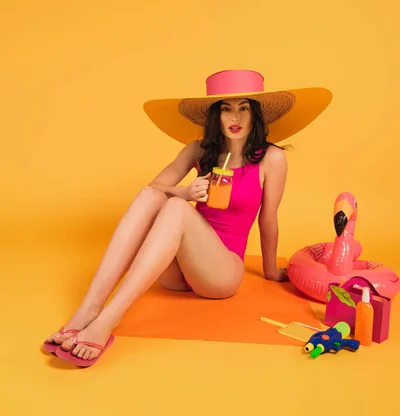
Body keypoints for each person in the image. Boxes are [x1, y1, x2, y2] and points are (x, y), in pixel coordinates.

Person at [43, 69, 332, 367]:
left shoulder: (271, 158)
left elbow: (268, 219)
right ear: (215, 117)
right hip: (178, 272)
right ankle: (89, 309)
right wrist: (185, 192)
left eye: (244, 108)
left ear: (256, 114)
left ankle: (106, 321)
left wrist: (271, 270)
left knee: (176, 209)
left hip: (220, 274)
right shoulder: (199, 151)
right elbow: (153, 189)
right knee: (152, 196)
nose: (236, 118)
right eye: (226, 109)